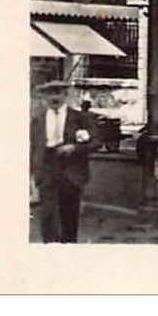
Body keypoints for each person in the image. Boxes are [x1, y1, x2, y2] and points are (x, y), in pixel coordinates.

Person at [30, 80, 95, 242]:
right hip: (47, 168)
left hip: (71, 170)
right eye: (50, 93)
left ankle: (68, 252)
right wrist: (31, 174)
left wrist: (75, 148)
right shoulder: (37, 119)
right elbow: (32, 146)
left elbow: (96, 142)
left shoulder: (79, 118)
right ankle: (49, 253)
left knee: (69, 217)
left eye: (58, 92)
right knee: (47, 216)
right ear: (44, 96)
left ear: (65, 95)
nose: (54, 97)